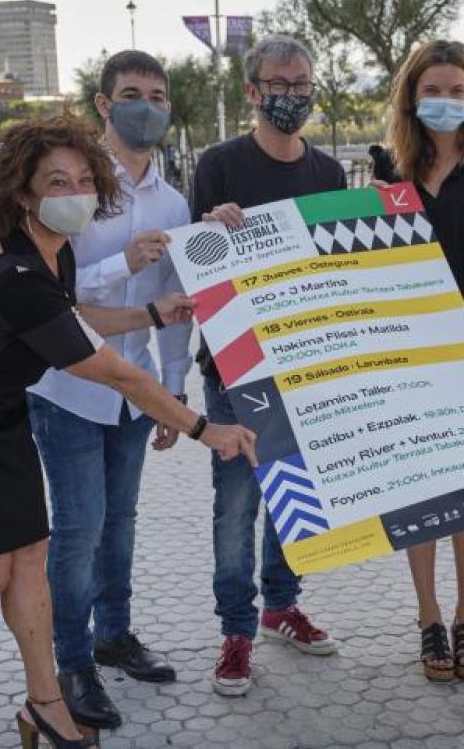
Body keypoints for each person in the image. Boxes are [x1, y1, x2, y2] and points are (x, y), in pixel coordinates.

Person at [0, 116, 257, 749]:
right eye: (57, 181)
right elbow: (112, 372)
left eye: (84, 178)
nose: (76, 192)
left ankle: (45, 703)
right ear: (22, 192)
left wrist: (152, 313)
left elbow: (73, 316)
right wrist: (200, 427)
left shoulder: (54, 247)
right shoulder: (14, 273)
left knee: (30, 557)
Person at [26, 51, 189, 729]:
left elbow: (180, 301)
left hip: (134, 387)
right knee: (79, 528)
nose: (144, 106)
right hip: (68, 388)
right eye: (131, 94)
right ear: (103, 103)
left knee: (119, 523)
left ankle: (114, 635)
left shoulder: (176, 200)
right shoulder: (76, 187)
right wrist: (127, 260)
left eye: (156, 95)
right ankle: (72, 664)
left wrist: (172, 392)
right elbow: (55, 293)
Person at [189, 34, 346, 698]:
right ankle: (236, 630)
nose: (291, 95)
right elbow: (193, 259)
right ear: (251, 92)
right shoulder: (218, 164)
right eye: (277, 85)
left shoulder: (331, 174)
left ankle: (281, 605)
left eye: (300, 82)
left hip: (306, 365)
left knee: (295, 500)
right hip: (234, 369)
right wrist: (211, 231)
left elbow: (341, 273)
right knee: (237, 505)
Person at [368, 40, 464, 683]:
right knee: (418, 485)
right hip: (412, 345)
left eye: (457, 90)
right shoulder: (386, 165)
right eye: (433, 89)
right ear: (412, 94)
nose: (446, 100)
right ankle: (428, 615)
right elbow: (374, 264)